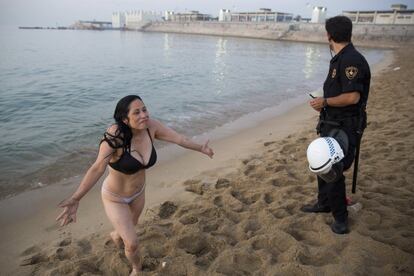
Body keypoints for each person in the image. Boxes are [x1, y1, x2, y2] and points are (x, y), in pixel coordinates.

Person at [56, 95, 214, 275]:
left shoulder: (151, 127)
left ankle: (116, 235)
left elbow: (179, 139)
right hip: (115, 197)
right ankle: (136, 269)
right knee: (132, 243)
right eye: (137, 112)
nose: (144, 115)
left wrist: (200, 147)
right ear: (125, 119)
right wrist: (76, 198)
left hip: (139, 193)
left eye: (144, 109)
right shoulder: (115, 135)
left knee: (131, 225)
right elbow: (98, 167)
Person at [301, 16, 371, 234]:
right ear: (348, 33)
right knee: (321, 161)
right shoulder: (340, 58)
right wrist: (323, 103)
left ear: (329, 35)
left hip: (346, 126)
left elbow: (352, 97)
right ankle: (324, 203)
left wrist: (325, 101)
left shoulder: (352, 60)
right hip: (331, 122)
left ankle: (341, 218)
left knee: (332, 168)